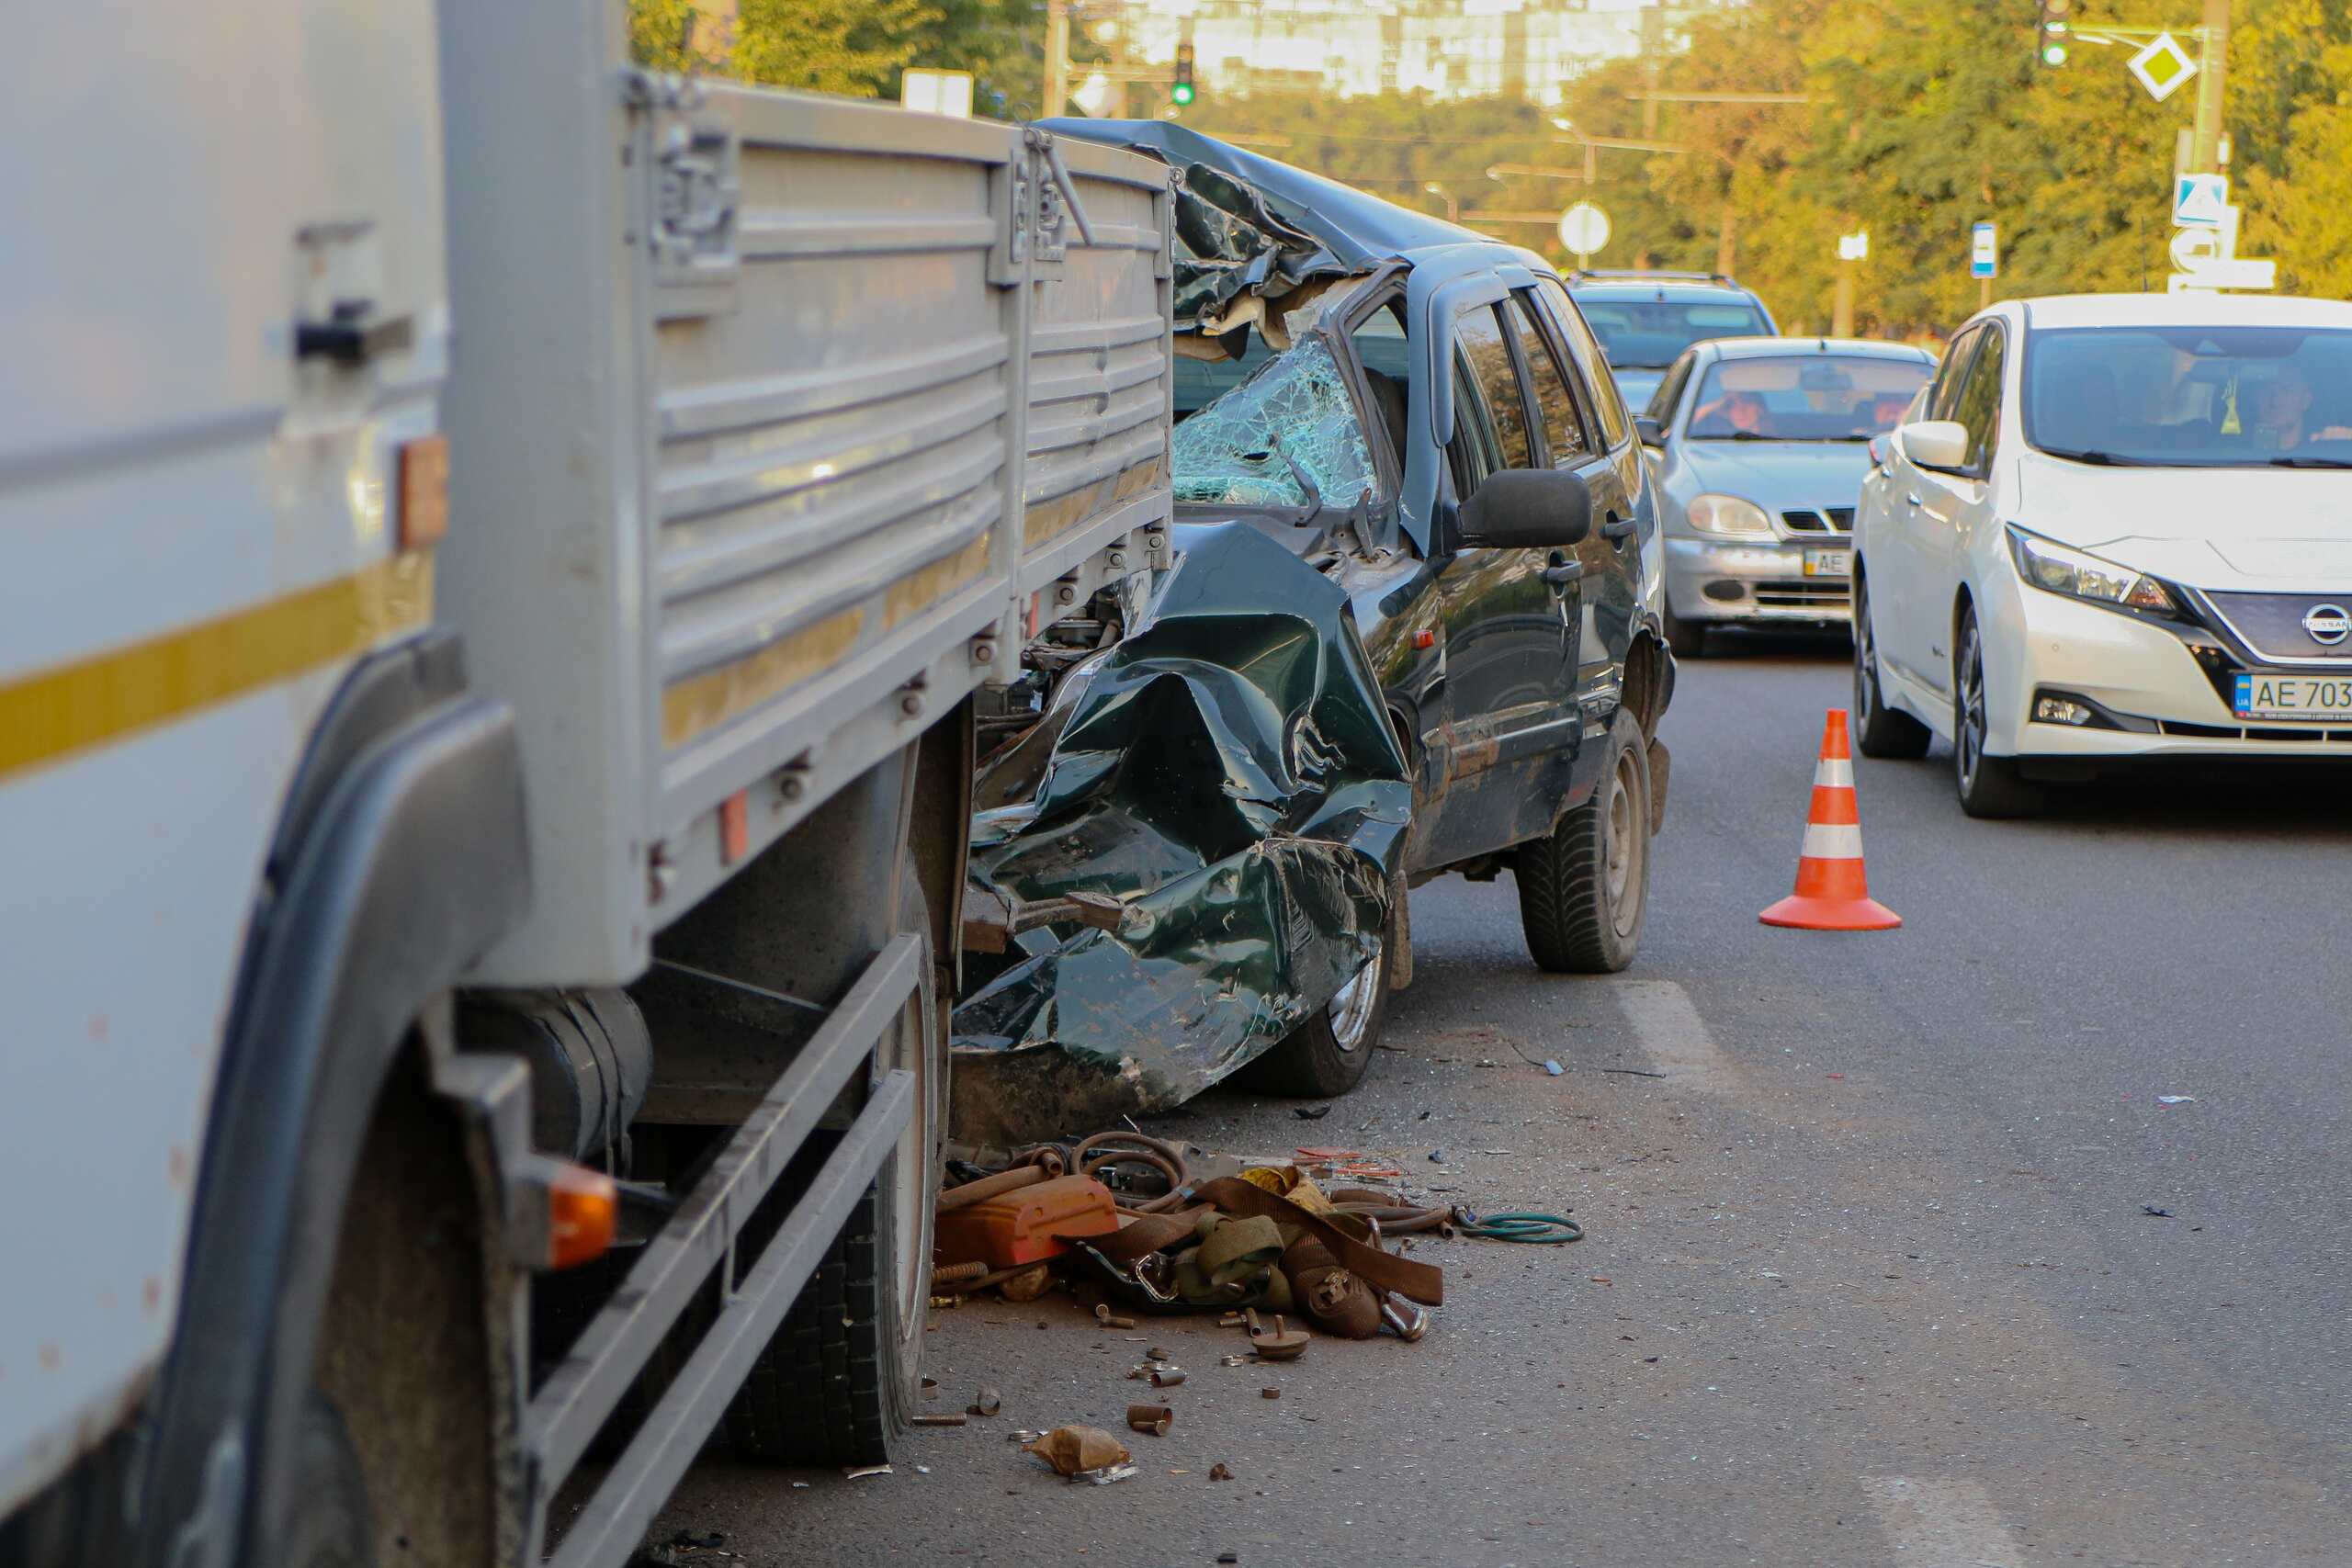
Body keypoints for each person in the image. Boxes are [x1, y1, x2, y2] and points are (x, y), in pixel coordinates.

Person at [2242, 364, 2352, 451]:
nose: (2275, 401)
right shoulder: (2236, 453)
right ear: (2255, 398)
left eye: (2286, 390)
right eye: (2267, 390)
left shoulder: (2329, 454)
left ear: (2305, 400)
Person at [1689, 388, 1768, 436]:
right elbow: (1686, 421)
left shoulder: (1774, 436)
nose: (1740, 411)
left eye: (1746, 403)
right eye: (1732, 405)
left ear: (1760, 409)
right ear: (1727, 414)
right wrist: (1720, 402)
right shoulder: (1717, 435)